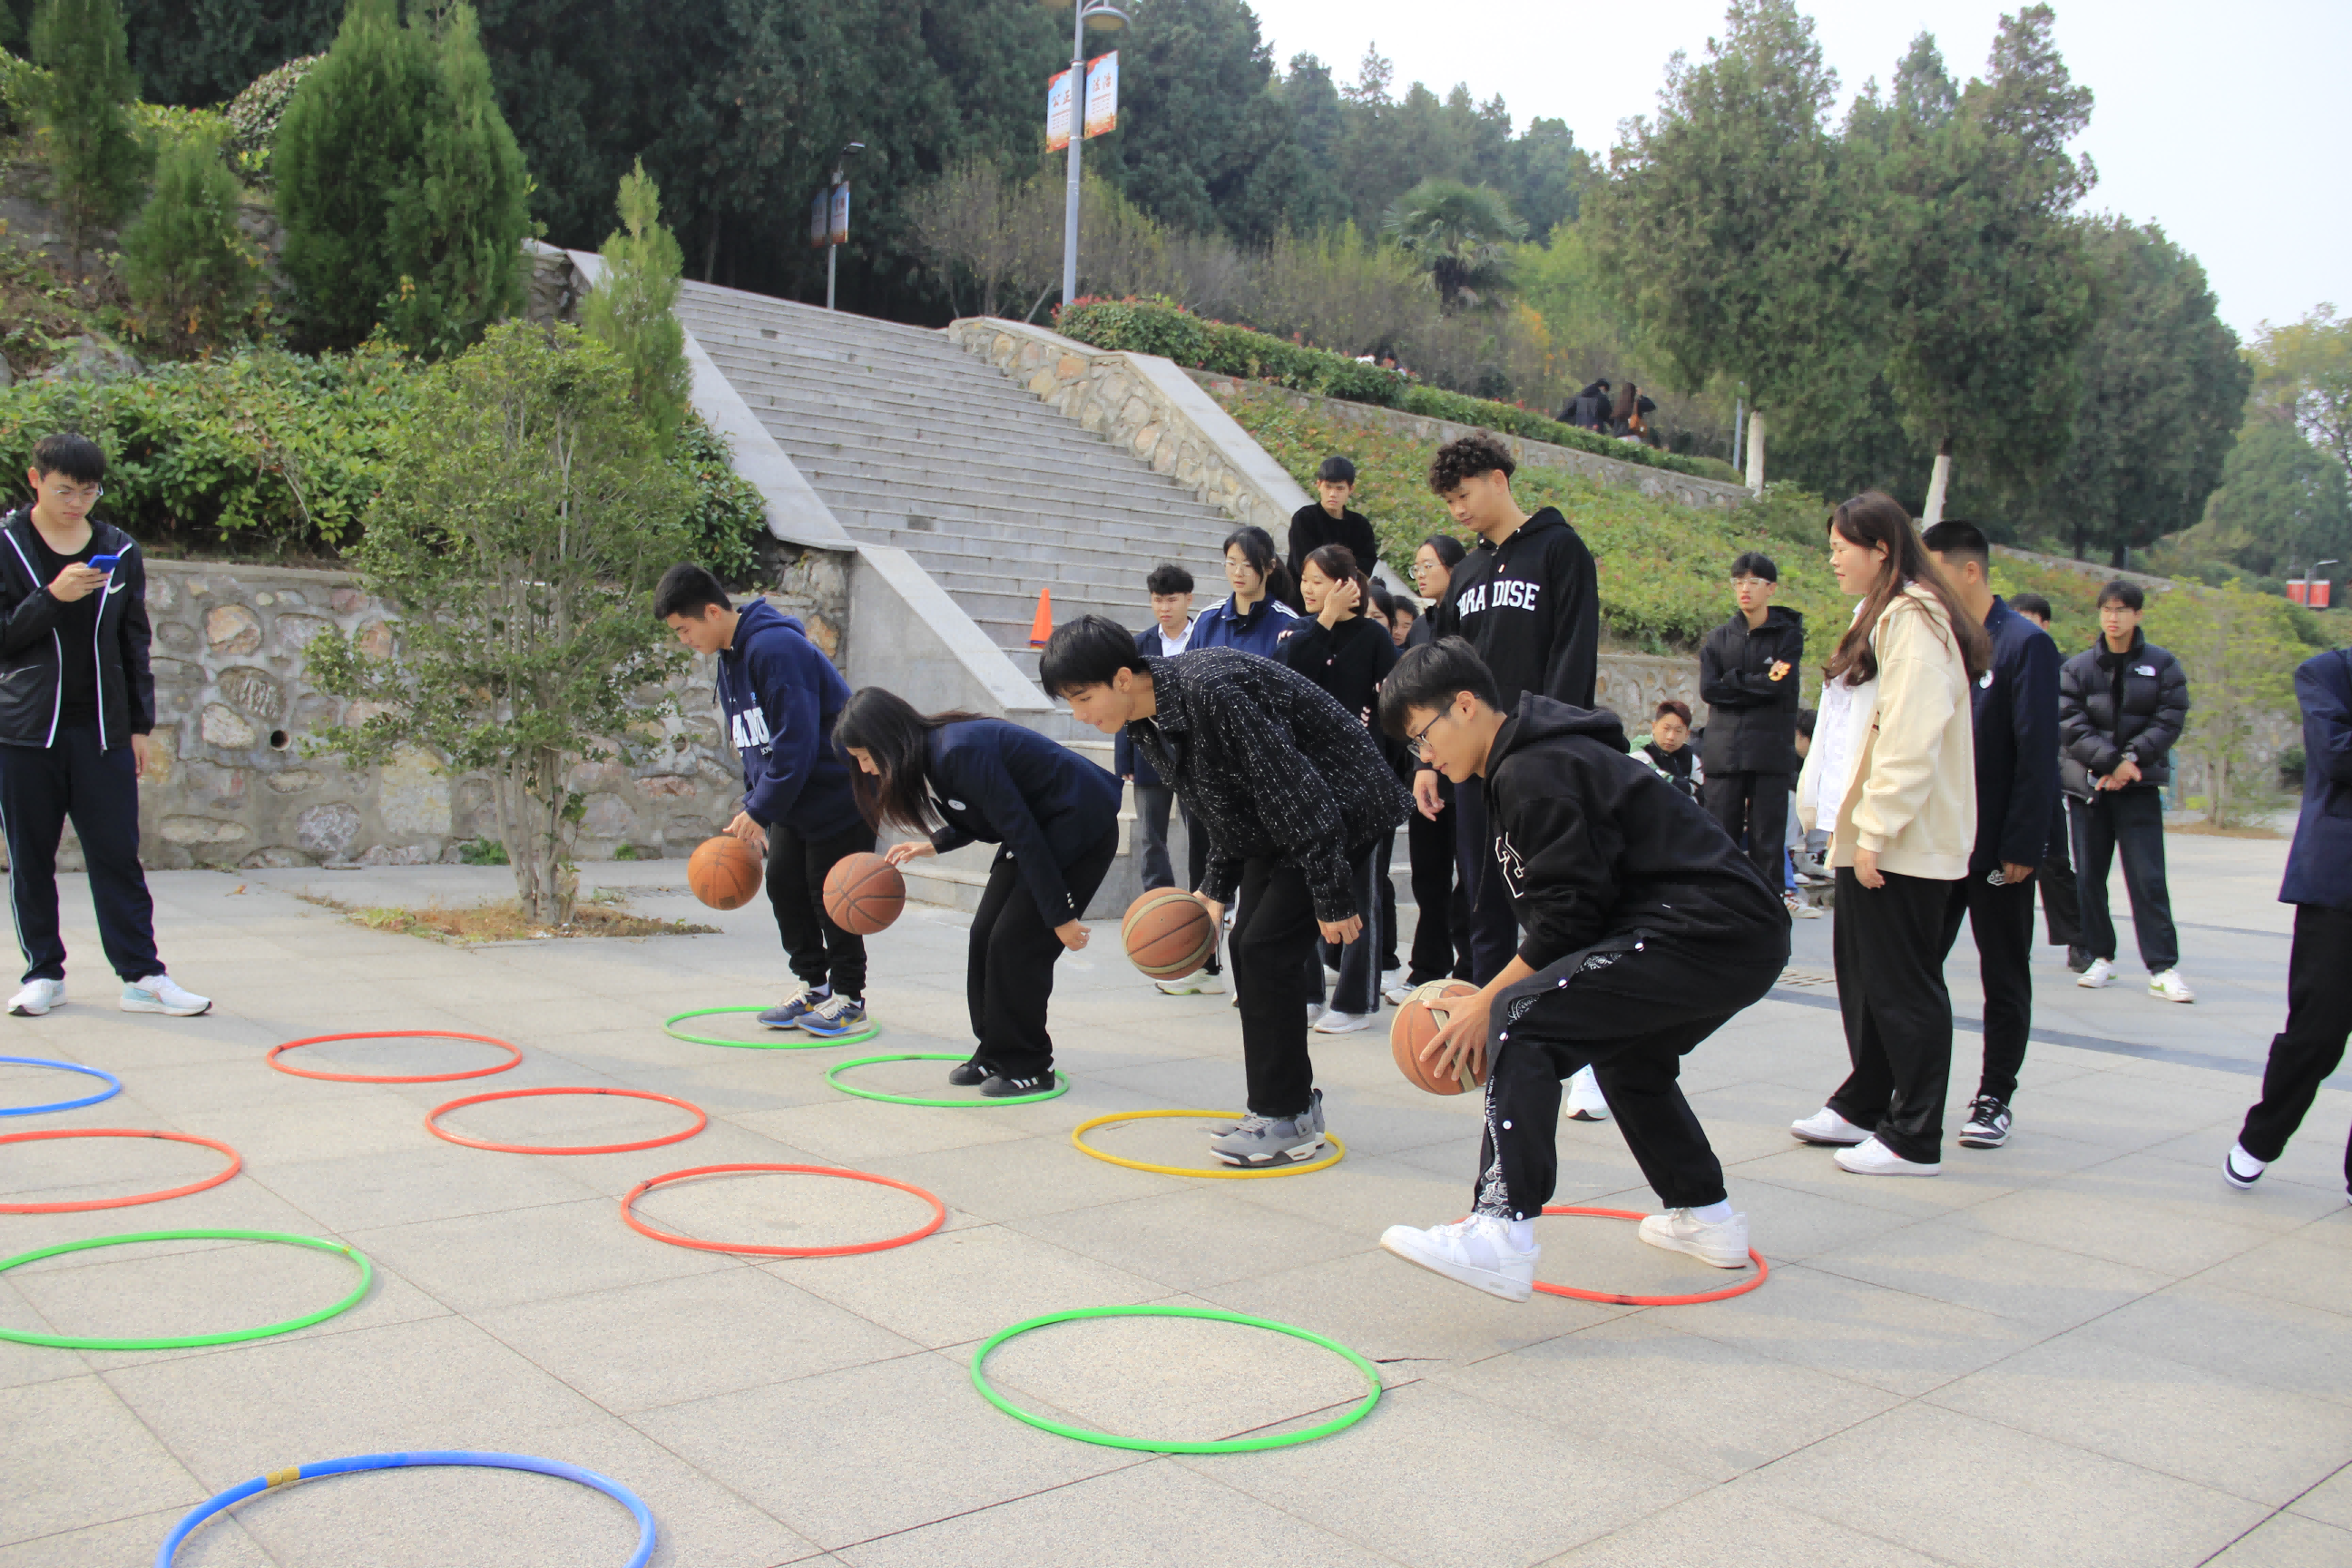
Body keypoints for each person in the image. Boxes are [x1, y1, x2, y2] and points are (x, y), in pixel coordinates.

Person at [1373, 638, 1788, 1300]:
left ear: (1466, 705)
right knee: (1628, 1057)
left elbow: (1570, 922)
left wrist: (1491, 1000)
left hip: (1707, 928)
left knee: (1522, 1019)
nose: (1425, 755)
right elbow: (1566, 918)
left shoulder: (1535, 771)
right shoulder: (1525, 764)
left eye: (1423, 735)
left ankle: (1501, 1231)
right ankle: (1706, 1215)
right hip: (1732, 932)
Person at [1043, 615, 1409, 1165]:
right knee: (1246, 946)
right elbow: (1222, 806)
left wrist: (1333, 897)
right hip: (1281, 818)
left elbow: (1298, 791)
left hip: (1341, 806)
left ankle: (1285, 1117)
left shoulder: (1211, 692)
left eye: (1081, 697)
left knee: (1265, 950)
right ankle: (1287, 1107)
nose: (1079, 714)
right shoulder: (1147, 719)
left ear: (1122, 678)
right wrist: (1214, 890)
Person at [1789, 493, 1988, 1177]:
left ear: (1881, 549)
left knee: (1904, 985)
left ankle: (1915, 1133)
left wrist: (1877, 827)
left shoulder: (1915, 618)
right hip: (1865, 829)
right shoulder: (1874, 613)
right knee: (1864, 977)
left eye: (1842, 546)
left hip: (1900, 835)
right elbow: (1846, 725)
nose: (1834, 558)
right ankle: (1866, 1100)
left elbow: (1911, 731)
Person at [0, 433, 209, 1018]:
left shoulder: (118, 547)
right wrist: (52, 596)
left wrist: (139, 725)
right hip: (22, 732)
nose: (78, 503)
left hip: (101, 732)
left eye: (89, 492)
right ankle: (43, 973)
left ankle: (142, 975)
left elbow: (133, 639)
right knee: (31, 856)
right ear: (35, 480)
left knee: (117, 854)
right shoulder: (6, 545)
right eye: (66, 490)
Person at [837, 689, 1121, 1097]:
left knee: (1016, 944)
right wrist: (934, 842)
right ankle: (994, 1050)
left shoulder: (956, 751)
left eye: (865, 757)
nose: (865, 770)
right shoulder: (935, 755)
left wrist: (1060, 917)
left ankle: (1030, 1065)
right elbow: (987, 814)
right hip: (1039, 828)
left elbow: (1021, 831)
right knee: (984, 934)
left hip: (1078, 822)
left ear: (887, 741)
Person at [658, 563, 872, 1038]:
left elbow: (795, 740)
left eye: (684, 629)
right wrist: (758, 801)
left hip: (838, 791)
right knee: (784, 887)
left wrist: (761, 811)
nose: (684, 640)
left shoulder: (775, 648)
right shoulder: (731, 658)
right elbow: (753, 744)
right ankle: (813, 985)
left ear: (712, 612)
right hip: (794, 797)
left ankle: (849, 998)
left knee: (831, 896)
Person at [1417, 435, 1601, 991]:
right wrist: (1428, 758)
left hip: (1537, 758)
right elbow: (1442, 675)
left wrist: (1559, 745)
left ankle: (1563, 1017)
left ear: (1499, 479)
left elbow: (1573, 652)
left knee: (1551, 896)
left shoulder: (1559, 550)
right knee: (1482, 896)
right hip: (1475, 765)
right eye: (1449, 502)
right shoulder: (1467, 572)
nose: (1458, 510)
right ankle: (1489, 1020)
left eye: (1464, 494)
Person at [1922, 520, 2062, 1152]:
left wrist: (2022, 847)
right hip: (1940, 841)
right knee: (1918, 967)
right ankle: (1911, 1088)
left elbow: (2037, 753)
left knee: (2003, 972)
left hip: (1998, 844)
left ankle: (1994, 1095)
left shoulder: (2024, 645)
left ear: (1968, 570)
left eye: (1935, 570)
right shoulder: (1942, 640)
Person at [2222, 645, 2352, 1198]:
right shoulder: (2326, 673)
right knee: (2317, 1032)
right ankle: (2262, 1135)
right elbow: (2336, 756)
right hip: (2338, 885)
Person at [1283, 544, 1400, 1034]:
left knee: (1360, 890)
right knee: (1306, 886)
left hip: (1359, 783)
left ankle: (1355, 1001)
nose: (1307, 588)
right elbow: (1284, 680)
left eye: (1317, 579)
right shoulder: (1298, 633)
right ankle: (1309, 992)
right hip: (1306, 779)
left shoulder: (1373, 636)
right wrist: (1324, 621)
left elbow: (1397, 699)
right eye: (1304, 579)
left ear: (1346, 583)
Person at [2058, 580, 2192, 1001]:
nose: (2112, 618)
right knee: (2090, 878)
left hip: (2138, 786)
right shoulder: (2077, 668)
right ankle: (2100, 957)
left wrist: (2130, 760)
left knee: (2149, 879)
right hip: (2091, 788)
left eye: (2121, 610)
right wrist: (2110, 762)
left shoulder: (2162, 664)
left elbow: (2170, 717)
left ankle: (2163, 967)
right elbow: (2070, 724)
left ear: (2138, 615)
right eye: (2106, 610)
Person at [1699, 552, 1805, 911]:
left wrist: (1734, 682)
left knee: (1766, 839)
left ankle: (1767, 908)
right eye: (1738, 582)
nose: (1745, 589)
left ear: (1770, 588)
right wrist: (1753, 683)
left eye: (1754, 582)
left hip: (1769, 754)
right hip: (1724, 752)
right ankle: (1716, 907)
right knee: (1719, 835)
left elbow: (1778, 682)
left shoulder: (1788, 638)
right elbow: (1709, 689)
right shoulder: (1717, 639)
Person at [1402, 534, 1471, 990]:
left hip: (1466, 764)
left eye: (1429, 565)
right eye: (1416, 567)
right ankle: (1427, 967)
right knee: (1429, 875)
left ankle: (1469, 969)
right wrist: (1422, 762)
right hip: (1427, 763)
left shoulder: (1473, 621)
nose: (1422, 574)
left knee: (1470, 873)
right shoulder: (1420, 627)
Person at [2008, 592, 2085, 967]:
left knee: (2054, 860)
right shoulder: (1999, 659)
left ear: (2046, 624)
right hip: (2012, 774)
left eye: (2030, 619)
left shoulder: (2063, 669)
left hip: (2049, 772)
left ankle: (2076, 938)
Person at [1113, 564, 1195, 895]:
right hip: (1150, 751)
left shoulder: (1204, 637)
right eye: (1158, 600)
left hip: (1195, 753)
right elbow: (1124, 700)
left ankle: (1207, 898)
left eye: (1172, 600)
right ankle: (1158, 899)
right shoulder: (1139, 645)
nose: (1164, 608)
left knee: (1202, 833)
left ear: (1189, 600)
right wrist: (1124, 759)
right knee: (1150, 835)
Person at [1191, 525, 1302, 658]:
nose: (1238, 573)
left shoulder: (1288, 623)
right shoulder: (1207, 619)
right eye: (1232, 563)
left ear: (1270, 567)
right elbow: (1183, 671)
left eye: (1248, 565)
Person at [1285, 456, 1379, 584]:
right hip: (1303, 596)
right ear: (1319, 485)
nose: (1332, 494)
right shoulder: (1304, 519)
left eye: (1339, 488)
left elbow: (1366, 566)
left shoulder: (1360, 526)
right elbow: (1303, 564)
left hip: (1345, 594)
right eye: (1328, 487)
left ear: (1350, 489)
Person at [1642, 700, 1700, 800]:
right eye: (1666, 728)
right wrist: (1688, 788)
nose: (1671, 737)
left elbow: (1701, 792)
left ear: (1687, 734)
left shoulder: (1691, 757)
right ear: (1654, 727)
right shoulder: (1640, 750)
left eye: (1678, 731)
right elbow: (1656, 782)